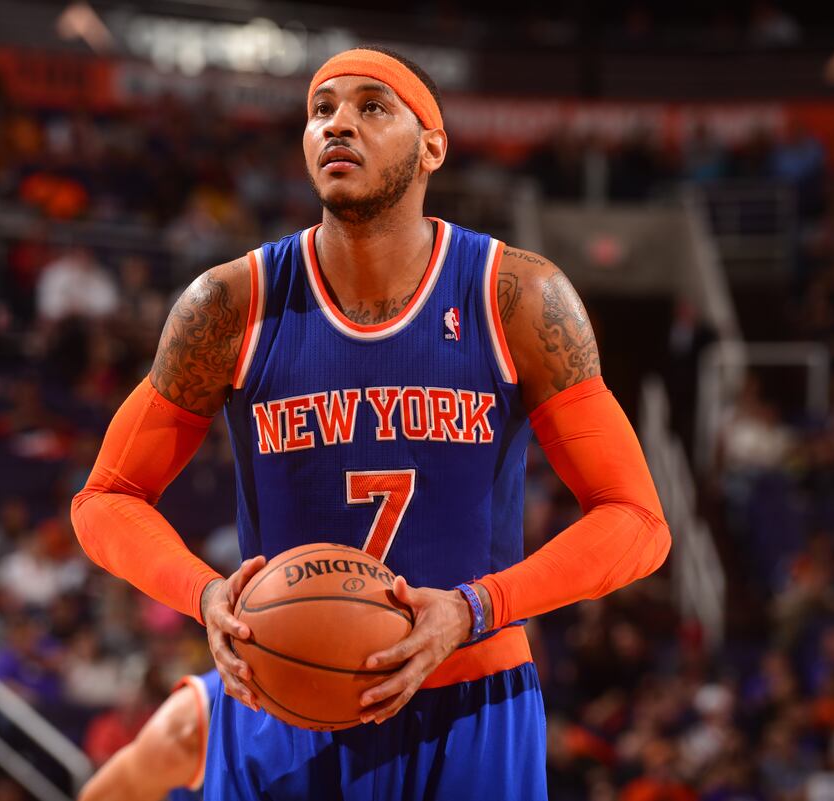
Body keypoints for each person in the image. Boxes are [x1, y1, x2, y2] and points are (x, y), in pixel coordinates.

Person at [72, 45, 671, 799]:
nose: (338, 124)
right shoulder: (230, 306)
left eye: (372, 106)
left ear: (432, 148)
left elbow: (638, 522)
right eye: (321, 109)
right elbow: (105, 499)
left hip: (470, 700)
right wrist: (203, 593)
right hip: (284, 696)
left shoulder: (515, 296)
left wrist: (475, 608)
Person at [79, 671, 220, 801]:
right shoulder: (187, 725)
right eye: (128, 697)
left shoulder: (148, 720)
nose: (132, 703)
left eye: (136, 697)